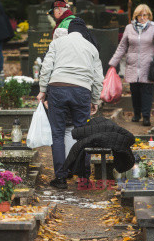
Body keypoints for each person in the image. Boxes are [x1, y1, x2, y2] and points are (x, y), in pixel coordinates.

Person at [36, 27, 104, 189]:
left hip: (58, 87)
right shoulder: (91, 47)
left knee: (58, 134)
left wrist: (43, 90)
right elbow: (98, 77)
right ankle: (84, 177)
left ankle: (60, 178)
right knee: (82, 134)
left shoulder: (58, 42)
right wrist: (94, 99)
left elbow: (46, 67)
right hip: (82, 90)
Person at [109, 4, 154, 126]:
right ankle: (137, 114)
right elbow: (122, 46)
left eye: (145, 15)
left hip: (148, 65)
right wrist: (113, 62)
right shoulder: (129, 28)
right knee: (135, 92)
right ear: (136, 16)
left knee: (147, 92)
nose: (142, 17)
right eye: (140, 15)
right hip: (133, 65)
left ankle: (146, 117)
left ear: (149, 16)